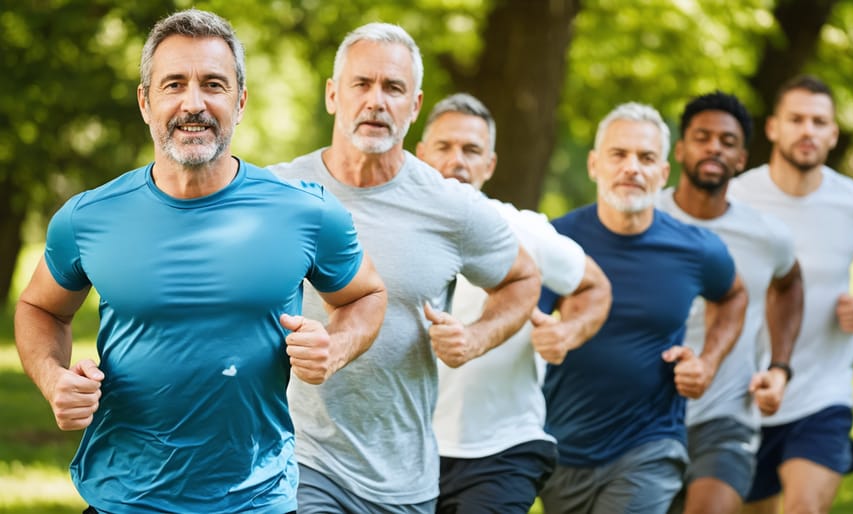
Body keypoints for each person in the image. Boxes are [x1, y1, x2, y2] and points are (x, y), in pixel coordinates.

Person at [13, 9, 387, 514]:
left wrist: (336, 347)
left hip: (255, 499)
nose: (194, 103)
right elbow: (39, 309)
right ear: (146, 102)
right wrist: (53, 378)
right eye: (174, 85)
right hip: (122, 498)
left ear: (240, 100)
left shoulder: (307, 211)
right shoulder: (87, 217)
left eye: (213, 84)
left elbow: (367, 295)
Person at [268, 24, 541, 513]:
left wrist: (476, 337)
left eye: (393, 88)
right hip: (301, 457)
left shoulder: (449, 205)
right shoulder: (278, 193)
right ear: (333, 95)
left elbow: (523, 280)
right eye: (361, 84)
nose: (376, 101)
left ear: (414, 106)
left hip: (404, 478)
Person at [536, 101, 749, 514]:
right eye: (619, 155)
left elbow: (734, 296)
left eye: (646, 157)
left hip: (651, 441)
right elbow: (525, 318)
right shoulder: (556, 242)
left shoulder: (696, 248)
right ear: (595, 165)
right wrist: (548, 335)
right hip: (564, 446)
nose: (632, 167)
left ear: (663, 173)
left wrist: (707, 362)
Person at [415, 92, 613, 513]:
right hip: (406, 453)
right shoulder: (387, 231)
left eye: (471, 151)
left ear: (489, 165)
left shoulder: (523, 230)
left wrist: (567, 330)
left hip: (502, 452)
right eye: (445, 147)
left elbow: (595, 286)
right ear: (420, 154)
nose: (458, 161)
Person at [729, 75, 853, 514]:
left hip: (823, 392)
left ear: (833, 133)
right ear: (772, 128)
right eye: (796, 119)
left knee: (804, 509)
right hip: (743, 392)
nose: (808, 130)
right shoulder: (735, 197)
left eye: (819, 121)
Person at [656, 91, 804, 514]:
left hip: (728, 412)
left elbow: (790, 284)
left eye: (727, 141)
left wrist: (779, 366)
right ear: (680, 149)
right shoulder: (645, 219)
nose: (714, 147)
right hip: (644, 417)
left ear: (741, 159)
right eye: (702, 137)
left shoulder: (766, 234)